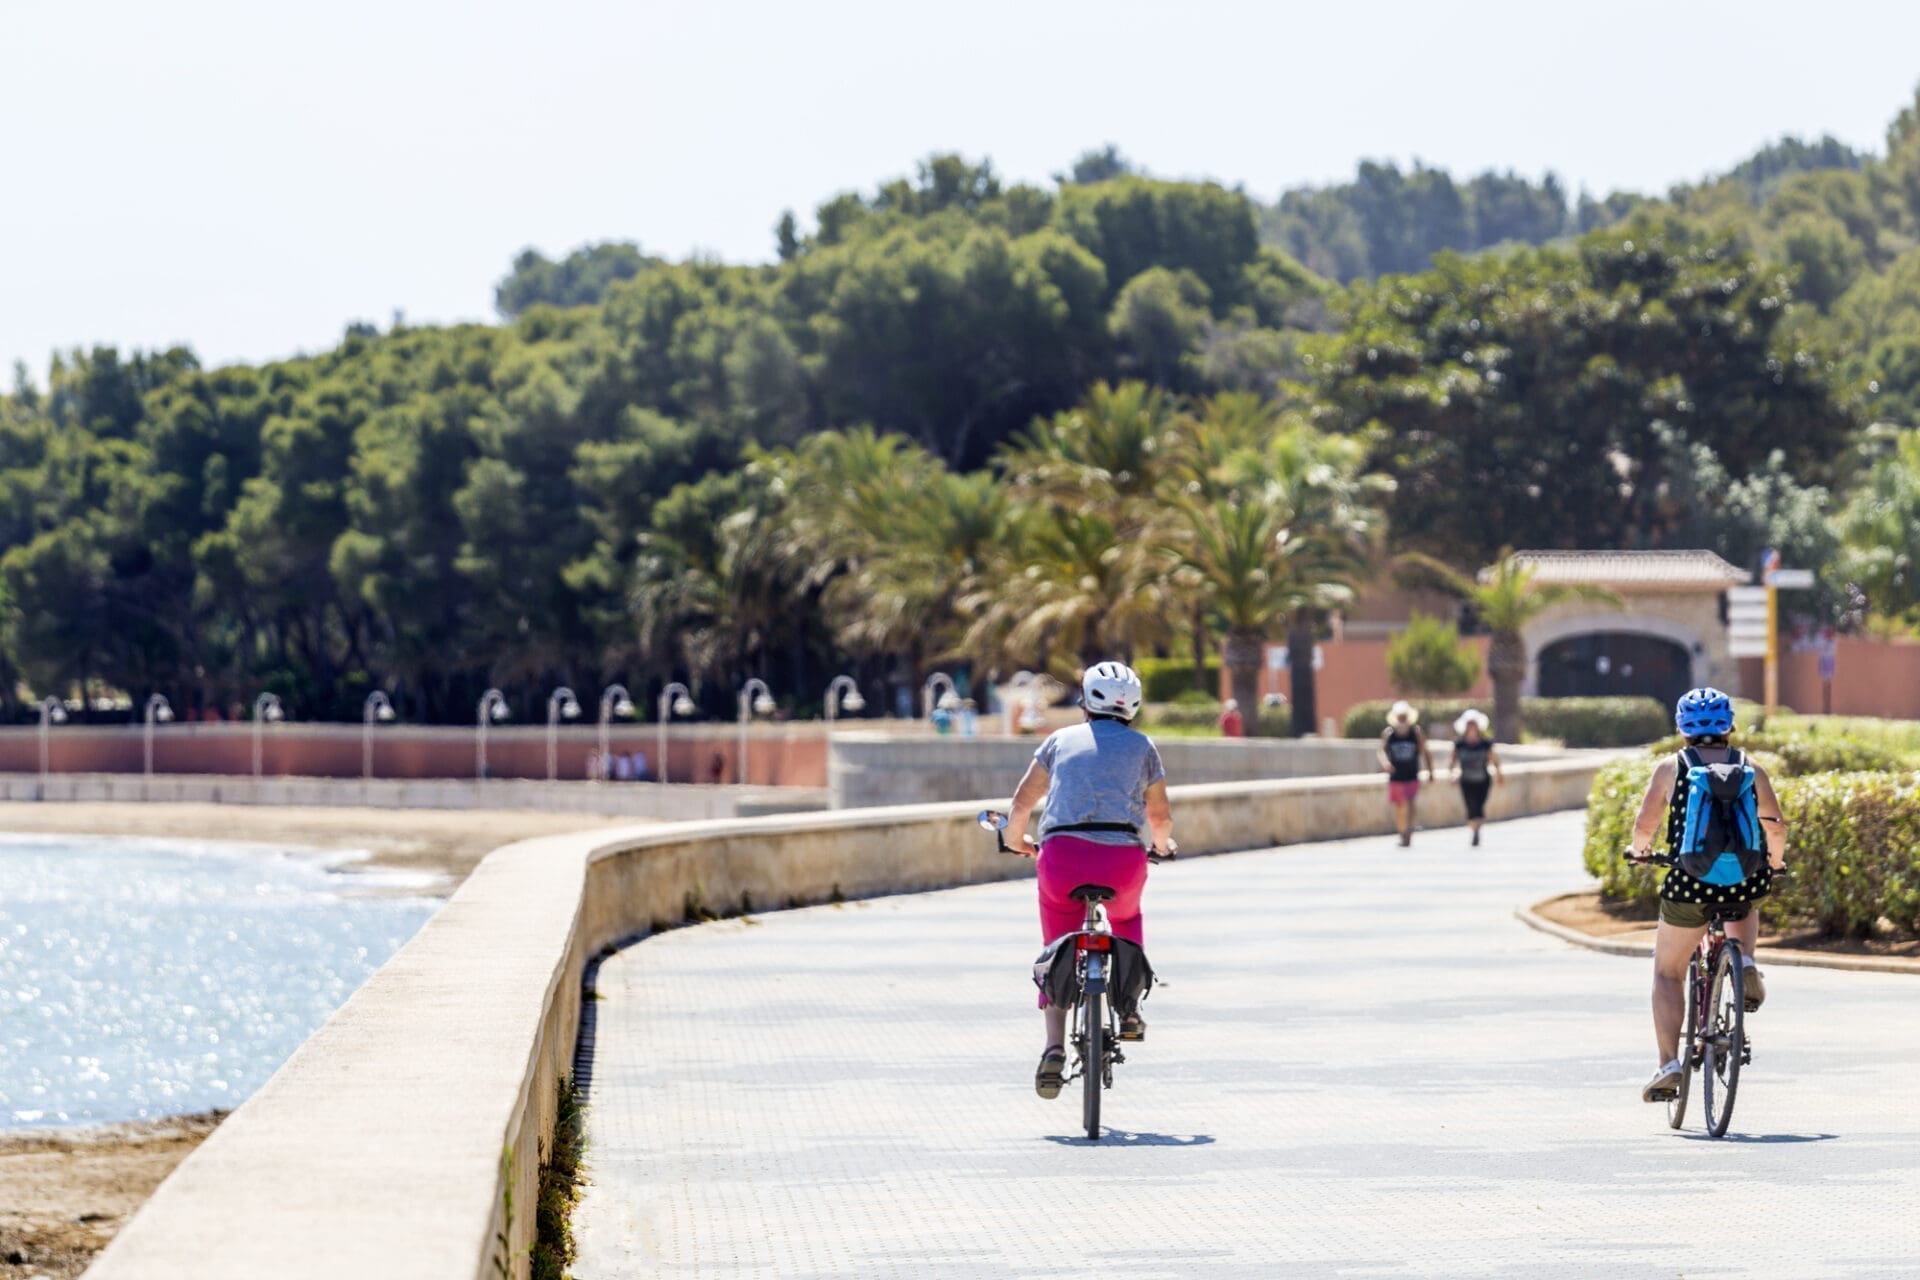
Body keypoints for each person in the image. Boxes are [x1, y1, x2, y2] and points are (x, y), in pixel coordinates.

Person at [1003, 662, 1176, 1100]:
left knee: (1056, 945)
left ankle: (1054, 1046)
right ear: (1133, 707)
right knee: (1127, 916)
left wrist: (1016, 839)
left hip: (1062, 858)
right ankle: (1130, 1008)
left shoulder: (1059, 740)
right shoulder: (1143, 747)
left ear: (1084, 700)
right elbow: (1159, 816)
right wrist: (1162, 845)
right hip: (1122, 859)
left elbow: (1023, 801)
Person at [1625, 687, 1786, 1103]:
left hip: (1689, 883)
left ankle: (1668, 1064)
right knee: (1748, 891)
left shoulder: (1671, 768)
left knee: (1667, 973)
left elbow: (1645, 827)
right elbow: (1776, 827)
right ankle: (1744, 960)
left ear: (1681, 729)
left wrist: (1640, 852)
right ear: (1729, 725)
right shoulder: (1752, 767)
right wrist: (1776, 862)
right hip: (1743, 879)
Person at [1378, 701, 1433, 847]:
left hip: (1411, 774)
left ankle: (1408, 830)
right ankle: (1402, 830)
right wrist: (1385, 764)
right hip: (1396, 776)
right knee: (1399, 806)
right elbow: (1382, 751)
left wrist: (1430, 771)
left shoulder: (1415, 733)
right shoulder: (1389, 734)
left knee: (1410, 804)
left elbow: (1424, 751)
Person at [1449, 709, 1503, 846]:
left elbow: (1494, 760)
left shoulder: (1485, 744)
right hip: (1466, 780)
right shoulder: (1459, 744)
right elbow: (1452, 762)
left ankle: (1476, 831)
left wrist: (1499, 775)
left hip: (1483, 780)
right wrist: (1452, 774)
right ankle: (1474, 829)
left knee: (1479, 807)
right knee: (1470, 808)